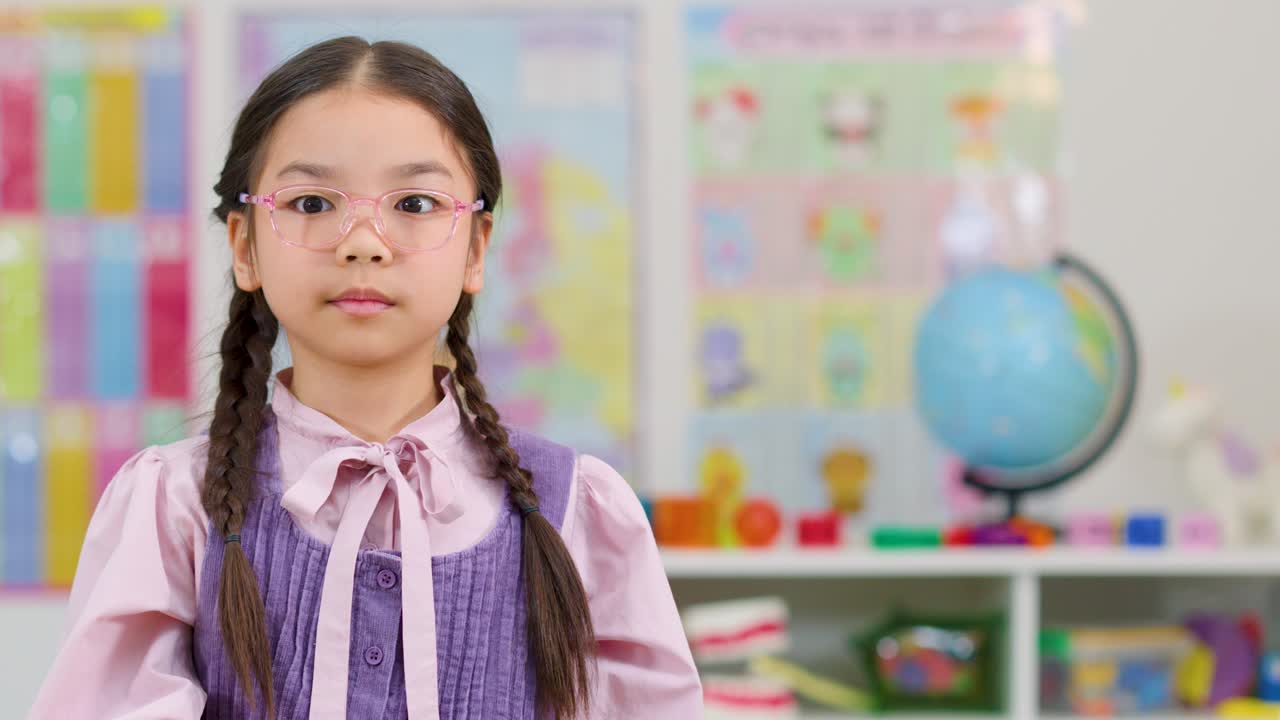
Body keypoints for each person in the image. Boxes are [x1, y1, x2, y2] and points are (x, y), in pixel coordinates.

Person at [30, 36, 701, 720]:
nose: (363, 241)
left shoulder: (575, 513)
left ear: (476, 248)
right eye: (312, 204)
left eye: (414, 204)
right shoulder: (175, 508)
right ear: (243, 245)